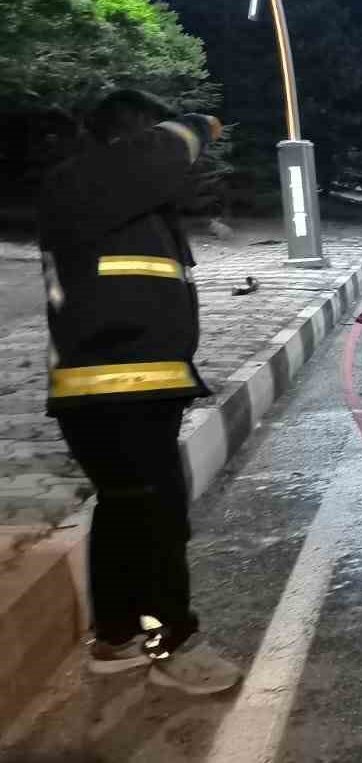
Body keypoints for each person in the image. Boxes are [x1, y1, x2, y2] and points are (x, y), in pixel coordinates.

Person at [39, 89, 241, 695]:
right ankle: (171, 642)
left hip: (132, 390)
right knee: (156, 520)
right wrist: (201, 122)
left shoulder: (124, 201)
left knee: (127, 512)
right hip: (111, 391)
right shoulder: (84, 181)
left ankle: (117, 636)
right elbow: (159, 153)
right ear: (128, 139)